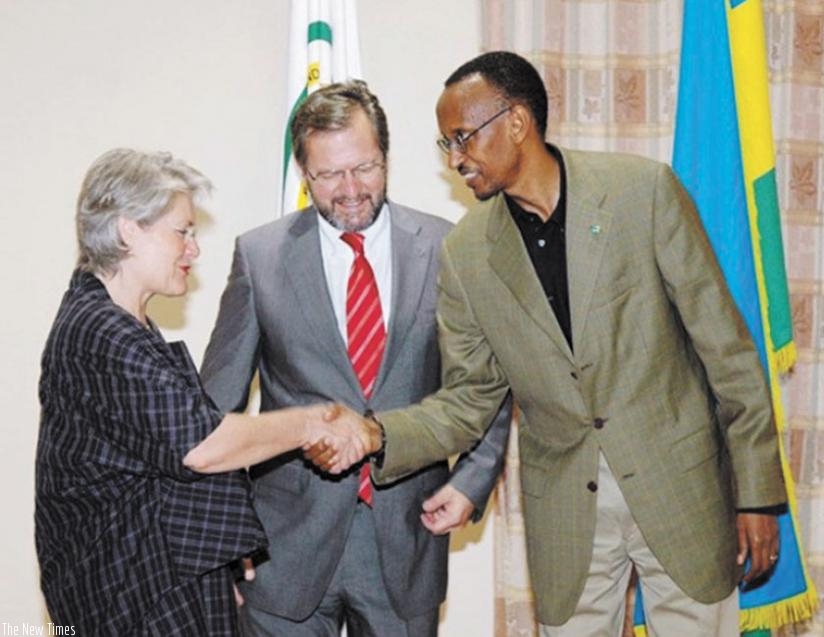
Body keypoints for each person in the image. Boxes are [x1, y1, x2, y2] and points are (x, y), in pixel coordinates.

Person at [307, 51, 788, 637]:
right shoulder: (466, 255)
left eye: (461, 138)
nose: (456, 160)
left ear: (515, 123)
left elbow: (727, 352)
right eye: (446, 146)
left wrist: (759, 498)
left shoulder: (642, 193)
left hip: (680, 491)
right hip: (568, 516)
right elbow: (468, 400)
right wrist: (378, 434)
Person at [199, 79, 511, 637]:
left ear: (386, 158)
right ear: (303, 175)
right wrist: (221, 542)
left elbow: (489, 380)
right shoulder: (260, 257)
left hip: (407, 539)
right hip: (282, 550)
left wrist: (472, 479)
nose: (349, 189)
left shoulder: (449, 247)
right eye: (329, 174)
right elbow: (213, 415)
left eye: (364, 167)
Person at [35, 148, 358, 636]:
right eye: (181, 232)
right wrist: (317, 419)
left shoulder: (124, 323)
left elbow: (161, 462)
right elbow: (201, 447)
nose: (193, 249)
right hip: (123, 596)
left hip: (161, 581)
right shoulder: (99, 331)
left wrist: (219, 555)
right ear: (128, 229)